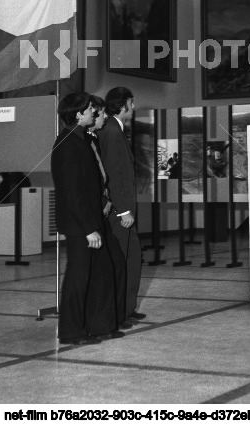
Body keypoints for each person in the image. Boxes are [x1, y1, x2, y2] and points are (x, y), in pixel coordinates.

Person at [51, 92, 123, 345]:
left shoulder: (79, 140)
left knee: (101, 274)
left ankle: (99, 326)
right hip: (81, 224)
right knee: (78, 278)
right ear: (78, 114)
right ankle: (71, 331)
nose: (94, 113)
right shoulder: (68, 144)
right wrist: (88, 229)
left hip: (91, 220)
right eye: (90, 109)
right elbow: (72, 193)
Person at [97, 86, 145, 324]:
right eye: (131, 103)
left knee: (132, 258)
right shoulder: (111, 132)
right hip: (119, 212)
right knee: (121, 260)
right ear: (122, 105)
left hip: (124, 209)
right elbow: (113, 174)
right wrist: (123, 209)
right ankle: (118, 312)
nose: (134, 107)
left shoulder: (116, 129)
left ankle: (126, 308)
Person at [87, 95, 130, 331]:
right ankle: (98, 321)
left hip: (101, 208)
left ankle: (112, 318)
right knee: (99, 269)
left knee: (114, 263)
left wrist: (107, 198)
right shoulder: (81, 141)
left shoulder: (93, 138)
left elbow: (102, 175)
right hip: (91, 216)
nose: (104, 117)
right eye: (100, 113)